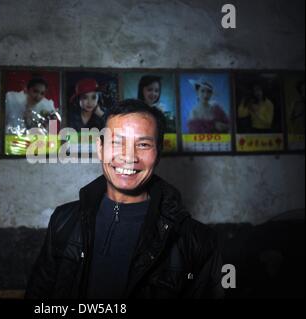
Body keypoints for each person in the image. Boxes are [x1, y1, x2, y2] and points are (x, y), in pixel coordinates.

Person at [26, 99, 224, 299]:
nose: (129, 157)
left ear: (158, 153)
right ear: (100, 148)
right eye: (117, 142)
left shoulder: (197, 241)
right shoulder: (64, 221)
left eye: (143, 144)